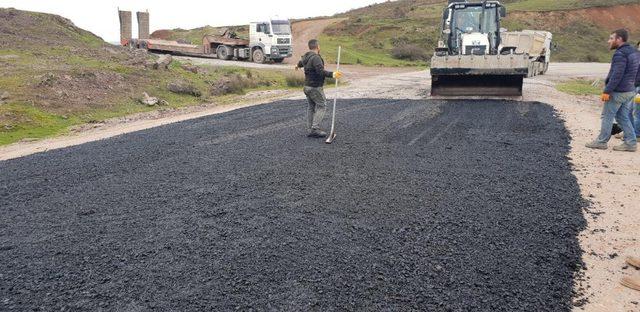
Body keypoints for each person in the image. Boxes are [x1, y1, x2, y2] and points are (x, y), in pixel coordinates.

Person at [585, 29, 639, 152]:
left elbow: (617, 74)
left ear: (619, 39)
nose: (608, 41)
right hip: (630, 90)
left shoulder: (620, 54)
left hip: (618, 92)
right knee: (622, 117)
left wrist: (607, 91)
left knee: (607, 116)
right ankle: (631, 143)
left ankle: (601, 141)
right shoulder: (634, 52)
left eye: (611, 38)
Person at [295, 39, 343, 138]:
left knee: (311, 107)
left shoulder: (306, 57)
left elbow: (300, 63)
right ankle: (315, 129)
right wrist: (333, 74)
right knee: (322, 105)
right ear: (317, 47)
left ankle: (310, 129)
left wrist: (296, 65)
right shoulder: (316, 58)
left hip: (307, 87)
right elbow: (320, 71)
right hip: (315, 87)